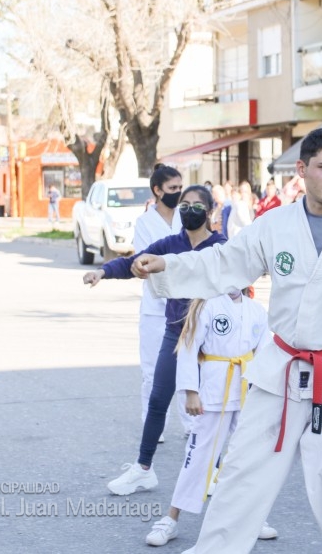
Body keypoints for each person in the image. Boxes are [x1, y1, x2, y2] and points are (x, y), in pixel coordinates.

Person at [129, 128, 322, 554]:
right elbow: (224, 262)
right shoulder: (276, 224)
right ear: (302, 170)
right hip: (282, 365)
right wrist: (167, 267)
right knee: (244, 469)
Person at [83, 185, 226, 496]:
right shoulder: (171, 243)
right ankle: (143, 469)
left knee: (211, 408)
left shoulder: (221, 246)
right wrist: (104, 272)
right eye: (184, 204)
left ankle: (214, 472)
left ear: (211, 210)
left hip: (213, 340)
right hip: (177, 333)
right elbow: (135, 262)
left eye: (197, 205)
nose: (189, 210)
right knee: (158, 400)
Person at [144, 291, 278, 546]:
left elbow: (265, 353)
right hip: (212, 391)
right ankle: (171, 519)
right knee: (198, 457)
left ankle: (253, 518)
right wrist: (191, 392)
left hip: (247, 391)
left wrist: (267, 394)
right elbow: (188, 349)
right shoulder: (205, 306)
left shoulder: (257, 311)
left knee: (248, 459)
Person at [130, 165, 191, 438]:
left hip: (188, 305)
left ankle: (191, 423)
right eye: (172, 189)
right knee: (153, 371)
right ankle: (154, 424)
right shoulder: (144, 223)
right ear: (157, 190)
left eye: (180, 188)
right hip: (156, 308)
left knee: (189, 367)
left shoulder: (186, 217)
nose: (178, 193)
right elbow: (145, 263)